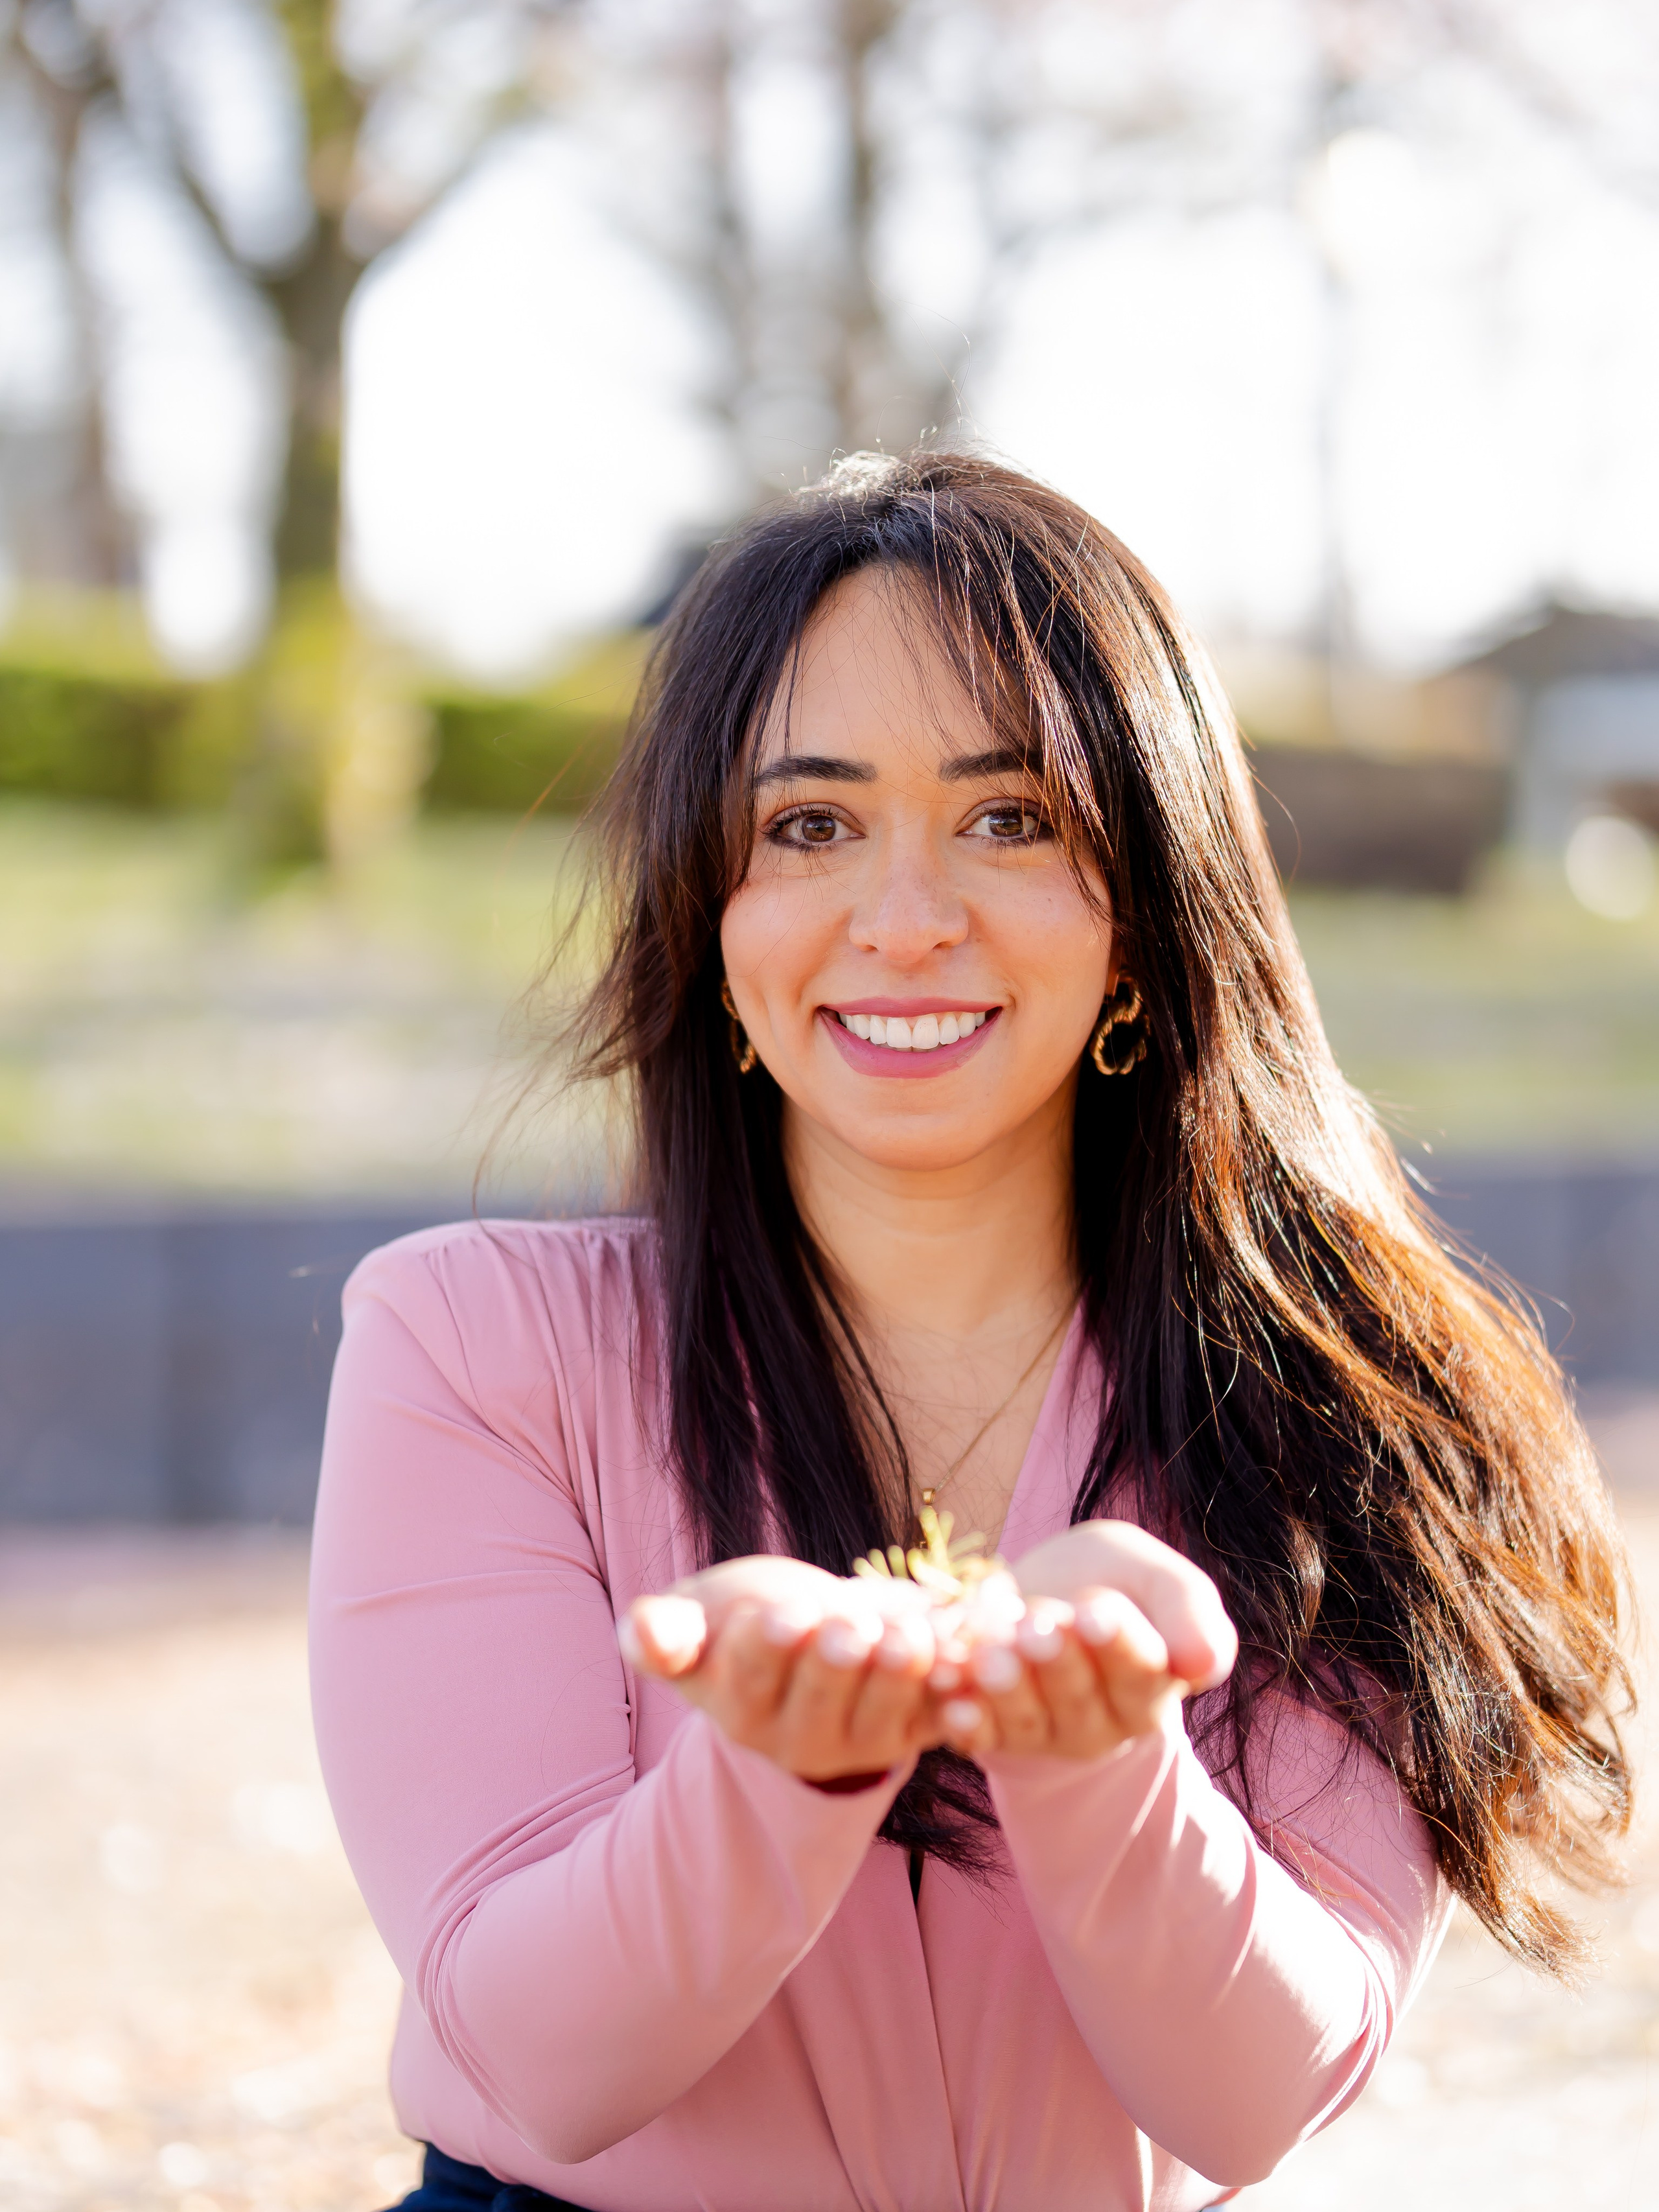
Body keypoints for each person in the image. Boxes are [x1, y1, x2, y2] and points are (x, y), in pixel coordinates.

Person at [310, 450, 1630, 2212]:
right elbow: (545, 2058)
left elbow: (1258, 2100)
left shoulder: (1360, 1403)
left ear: (1150, 914)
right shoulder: (473, 1348)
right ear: (713, 924)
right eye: (810, 825)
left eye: (1012, 820)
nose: (908, 916)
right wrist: (781, 1769)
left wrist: (1101, 1773)